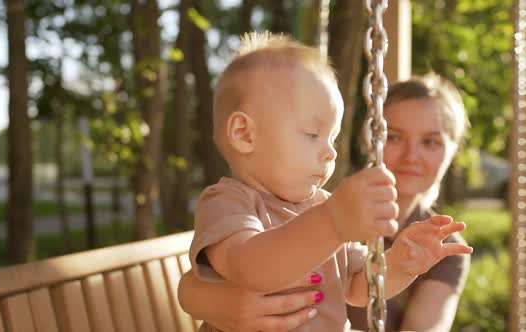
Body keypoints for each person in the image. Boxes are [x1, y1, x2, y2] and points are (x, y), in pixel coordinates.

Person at [182, 31, 472, 332]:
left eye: (332, 138)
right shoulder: (229, 202)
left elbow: (359, 288)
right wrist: (331, 223)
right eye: (312, 134)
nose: (330, 151)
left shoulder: (320, 205)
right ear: (245, 133)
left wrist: (399, 262)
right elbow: (251, 267)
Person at [347, 74, 471, 331]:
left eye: (430, 142)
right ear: (369, 141)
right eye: (393, 137)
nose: (411, 156)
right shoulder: (329, 216)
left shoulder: (446, 249)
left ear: (452, 151)